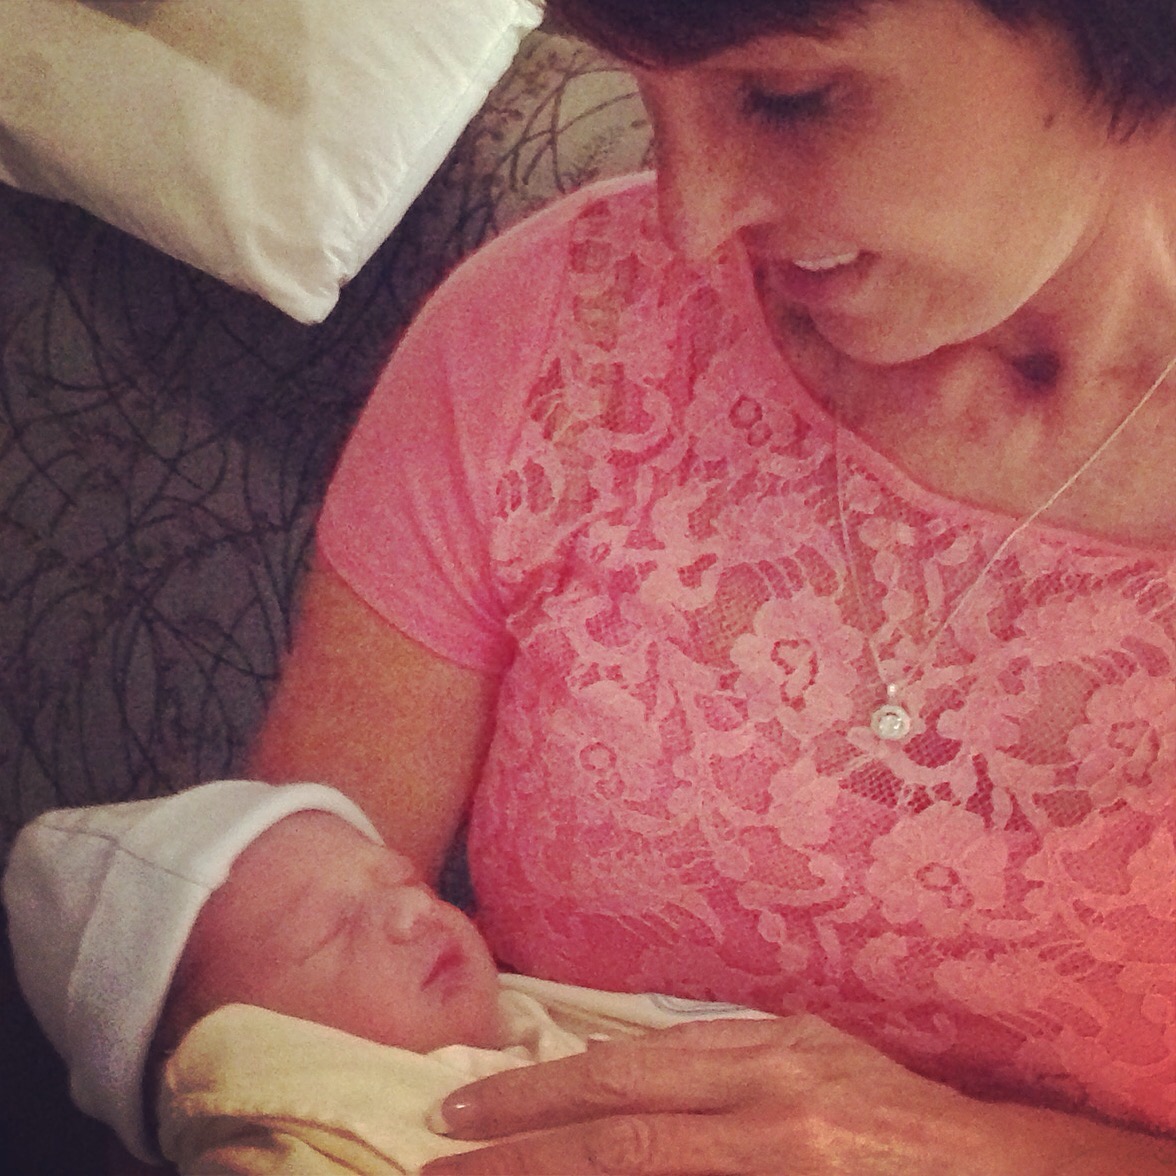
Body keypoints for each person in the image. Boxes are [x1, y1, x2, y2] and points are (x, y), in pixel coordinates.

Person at [243, 0, 1176, 1171]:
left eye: (787, 97)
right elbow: (266, 995)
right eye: (642, 92)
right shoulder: (557, 326)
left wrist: (985, 1159)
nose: (692, 220)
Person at [2, 779, 765, 1174]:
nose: (413, 912)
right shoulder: (284, 1148)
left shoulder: (543, 1023)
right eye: (328, 932)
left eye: (404, 878)